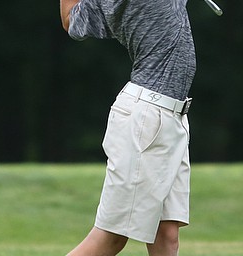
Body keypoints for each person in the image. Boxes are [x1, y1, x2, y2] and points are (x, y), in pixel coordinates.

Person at [60, 0, 196, 255]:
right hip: (148, 119)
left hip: (170, 116)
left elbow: (72, 21)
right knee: (111, 237)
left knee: (166, 234)